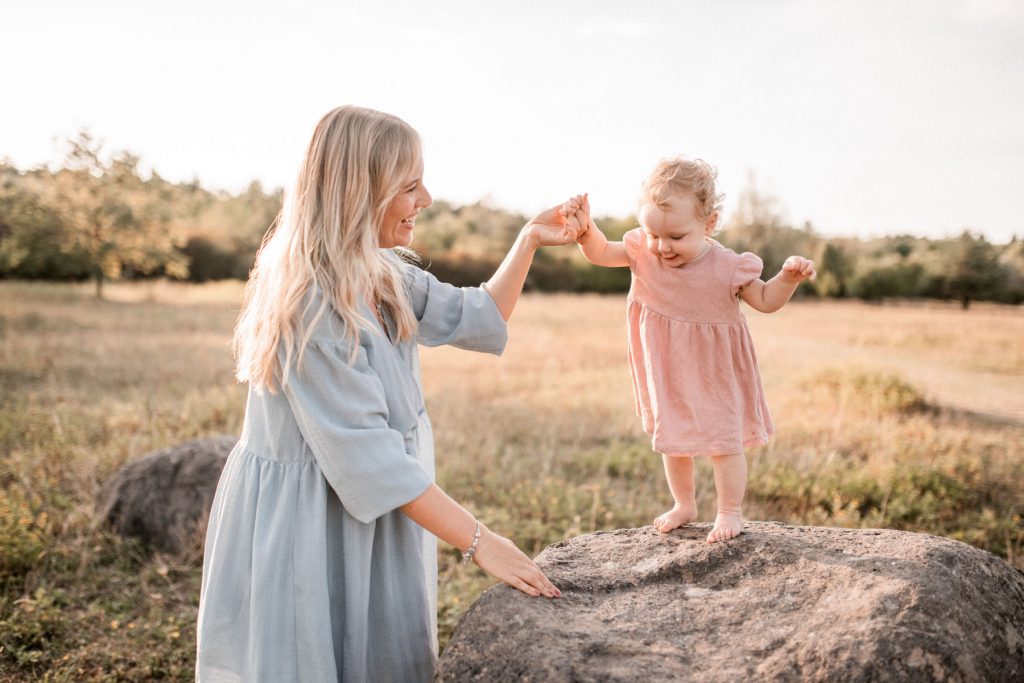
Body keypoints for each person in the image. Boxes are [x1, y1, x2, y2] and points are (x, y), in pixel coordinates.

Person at [196, 105, 575, 682]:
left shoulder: (382, 270)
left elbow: (479, 313)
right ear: (358, 191)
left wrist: (529, 241)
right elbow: (370, 459)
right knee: (310, 655)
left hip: (377, 504)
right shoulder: (312, 301)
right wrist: (481, 542)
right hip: (308, 520)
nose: (425, 198)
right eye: (409, 185)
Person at [564, 157, 815, 544]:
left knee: (724, 441)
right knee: (673, 440)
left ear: (709, 224)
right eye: (653, 234)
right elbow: (600, 252)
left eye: (676, 237)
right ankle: (685, 504)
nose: (662, 247)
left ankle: (730, 510)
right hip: (667, 369)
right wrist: (585, 232)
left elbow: (766, 300)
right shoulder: (641, 252)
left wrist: (787, 278)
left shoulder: (728, 266)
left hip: (716, 371)